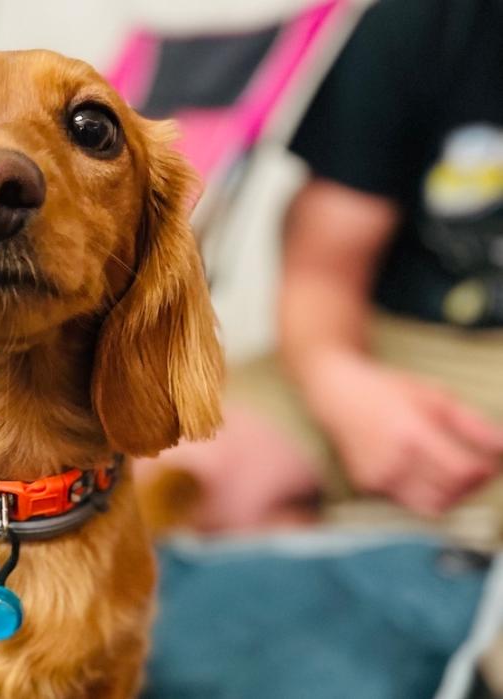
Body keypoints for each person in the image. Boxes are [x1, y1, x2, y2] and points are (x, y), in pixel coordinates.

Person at [140, 0, 503, 532]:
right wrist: (344, 387)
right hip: (394, 339)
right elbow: (323, 269)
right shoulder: (425, 21)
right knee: (169, 474)